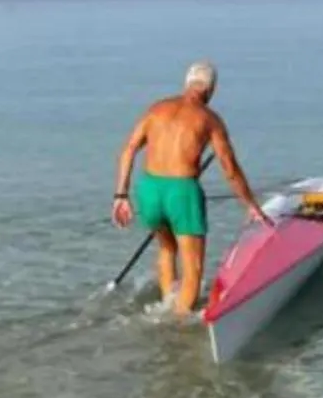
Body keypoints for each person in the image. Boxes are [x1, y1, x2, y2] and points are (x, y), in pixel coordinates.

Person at [112, 61, 268, 314]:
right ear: (211, 89)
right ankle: (180, 322)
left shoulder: (156, 109)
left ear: (187, 83)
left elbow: (128, 149)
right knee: (192, 265)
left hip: (149, 189)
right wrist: (250, 204)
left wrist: (121, 195)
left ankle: (167, 303)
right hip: (182, 192)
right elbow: (230, 169)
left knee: (166, 248)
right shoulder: (209, 119)